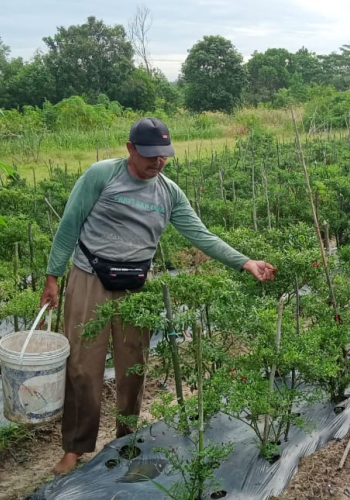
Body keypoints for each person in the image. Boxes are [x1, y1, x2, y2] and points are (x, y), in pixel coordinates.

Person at [40, 117, 277, 474]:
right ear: (130, 149)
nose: (157, 162)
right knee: (82, 368)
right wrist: (52, 278)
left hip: (138, 284)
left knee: (133, 367)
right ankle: (74, 448)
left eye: (163, 155)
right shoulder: (102, 175)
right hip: (90, 278)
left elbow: (201, 235)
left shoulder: (168, 192)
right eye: (150, 155)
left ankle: (126, 438)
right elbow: (69, 225)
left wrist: (245, 262)